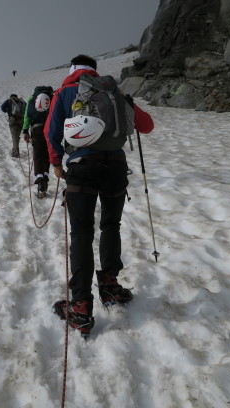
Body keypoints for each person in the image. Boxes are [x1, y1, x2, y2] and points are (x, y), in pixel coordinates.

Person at [44, 54, 154, 336]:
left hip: (82, 167)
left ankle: (80, 304)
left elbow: (51, 131)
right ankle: (109, 284)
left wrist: (56, 163)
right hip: (115, 167)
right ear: (94, 70)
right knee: (110, 225)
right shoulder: (115, 92)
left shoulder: (66, 92)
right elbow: (146, 125)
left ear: (72, 70)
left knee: (82, 233)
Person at [22, 86, 54, 198]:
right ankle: (45, 175)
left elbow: (27, 116)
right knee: (47, 155)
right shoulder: (52, 97)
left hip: (37, 129)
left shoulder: (32, 99)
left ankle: (40, 179)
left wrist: (25, 130)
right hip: (50, 129)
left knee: (38, 154)